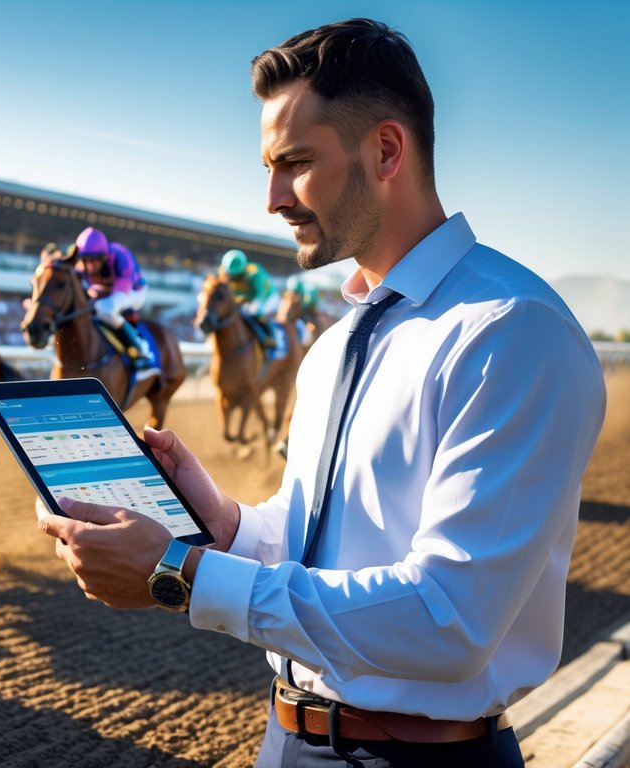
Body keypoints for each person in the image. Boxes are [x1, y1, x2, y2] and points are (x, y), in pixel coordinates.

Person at [38, 18, 605, 767]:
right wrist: (226, 523)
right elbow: (331, 541)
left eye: (294, 164)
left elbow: (447, 619)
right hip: (284, 739)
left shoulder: (511, 330)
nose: (271, 198)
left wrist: (181, 573)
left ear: (385, 151)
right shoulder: (335, 341)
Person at [70, 226, 153, 370]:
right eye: (86, 260)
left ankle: (140, 347)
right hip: (108, 293)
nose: (90, 265)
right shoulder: (80, 267)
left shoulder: (119, 254)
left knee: (106, 309)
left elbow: (121, 289)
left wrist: (96, 292)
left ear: (104, 257)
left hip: (134, 291)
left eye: (94, 260)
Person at [219, 248, 279, 350]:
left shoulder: (254, 272)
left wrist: (242, 299)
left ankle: (270, 338)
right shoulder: (223, 272)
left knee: (255, 311)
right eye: (232, 276)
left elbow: (259, 296)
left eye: (238, 276)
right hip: (246, 299)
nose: (234, 278)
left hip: (268, 297)